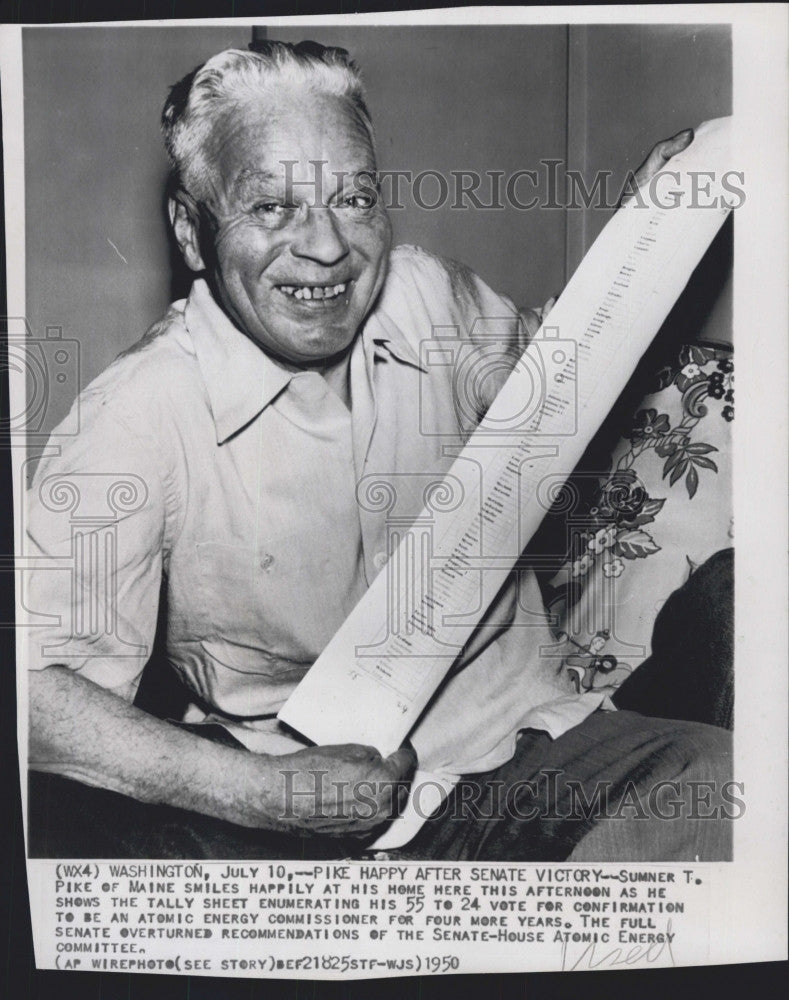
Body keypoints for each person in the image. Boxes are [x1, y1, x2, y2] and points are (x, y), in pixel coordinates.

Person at [26, 40, 732, 861]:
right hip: (313, 809)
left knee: (717, 784)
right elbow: (33, 698)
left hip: (530, 741)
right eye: (271, 207)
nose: (327, 248)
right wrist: (268, 796)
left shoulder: (426, 295)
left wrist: (645, 228)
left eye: (355, 199)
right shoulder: (134, 416)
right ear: (192, 229)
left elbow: (561, 384)